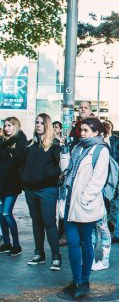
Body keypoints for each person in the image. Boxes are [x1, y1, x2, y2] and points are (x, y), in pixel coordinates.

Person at [58, 117, 109, 298]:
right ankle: (76, 279)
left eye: (86, 130)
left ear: (96, 132)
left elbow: (98, 179)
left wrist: (84, 198)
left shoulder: (101, 150)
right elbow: (68, 172)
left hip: (85, 203)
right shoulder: (78, 147)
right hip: (70, 201)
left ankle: (84, 280)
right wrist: (64, 154)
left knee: (86, 242)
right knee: (72, 243)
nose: (82, 133)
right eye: (81, 130)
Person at [21, 114, 62, 270]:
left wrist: (47, 178)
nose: (38, 125)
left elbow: (60, 167)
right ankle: (39, 254)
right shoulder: (30, 145)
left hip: (48, 190)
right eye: (36, 122)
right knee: (36, 222)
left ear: (48, 125)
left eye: (42, 123)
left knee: (49, 222)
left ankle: (56, 256)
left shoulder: (55, 144)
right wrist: (24, 181)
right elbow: (22, 165)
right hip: (31, 190)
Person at [0, 117, 27, 256]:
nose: (7, 128)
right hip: (1, 183)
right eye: (5, 126)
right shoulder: (2, 142)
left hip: (12, 183)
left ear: (15, 126)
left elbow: (20, 162)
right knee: (1, 215)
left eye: (10, 125)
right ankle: (6, 243)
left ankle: (16, 244)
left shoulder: (21, 141)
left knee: (6, 213)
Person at [103, 120, 119, 243]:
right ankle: (110, 228)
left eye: (108, 126)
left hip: (116, 176)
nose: (107, 129)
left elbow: (117, 159)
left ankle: (116, 232)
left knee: (118, 206)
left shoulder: (118, 140)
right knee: (108, 205)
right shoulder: (101, 141)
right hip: (105, 177)